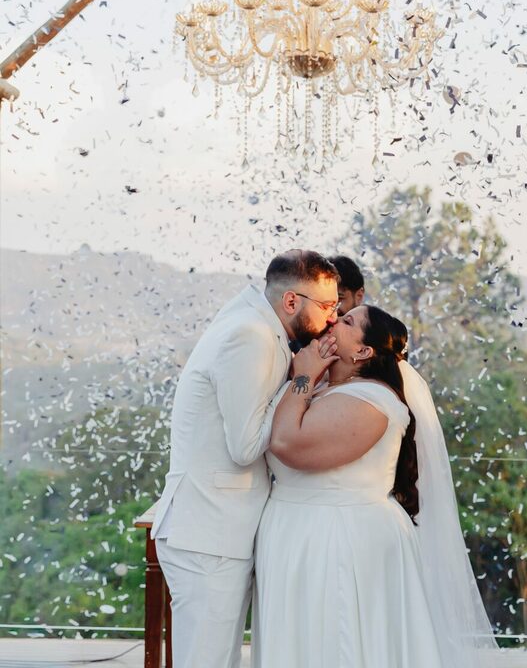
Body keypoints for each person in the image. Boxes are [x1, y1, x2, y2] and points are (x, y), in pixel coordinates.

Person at [253, 305, 498, 668]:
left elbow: (287, 443)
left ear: (363, 351)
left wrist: (302, 376)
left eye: (347, 321)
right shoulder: (326, 389)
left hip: (339, 539)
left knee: (338, 644)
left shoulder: (371, 400)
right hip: (298, 534)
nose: (333, 320)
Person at [151, 250, 340, 668]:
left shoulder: (254, 323)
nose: (332, 318)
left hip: (217, 531)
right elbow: (245, 446)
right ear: (291, 301)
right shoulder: (249, 335)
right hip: (209, 534)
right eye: (327, 306)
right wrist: (301, 381)